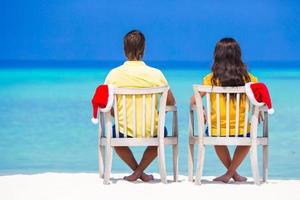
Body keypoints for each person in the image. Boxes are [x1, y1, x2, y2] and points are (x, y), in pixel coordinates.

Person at [104, 30, 176, 182]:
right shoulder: (156, 74)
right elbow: (171, 102)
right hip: (152, 129)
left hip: (123, 130)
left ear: (124, 50)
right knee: (161, 133)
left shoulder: (114, 74)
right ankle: (140, 172)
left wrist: (115, 114)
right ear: (143, 50)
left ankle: (137, 172)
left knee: (114, 135)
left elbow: (107, 104)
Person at [190, 38, 258, 183]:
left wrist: (201, 110)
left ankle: (230, 174)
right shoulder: (250, 79)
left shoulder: (210, 79)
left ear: (217, 56)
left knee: (215, 136)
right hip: (242, 129)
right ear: (238, 56)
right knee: (249, 137)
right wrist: (257, 111)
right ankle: (232, 174)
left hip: (217, 130)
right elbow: (259, 100)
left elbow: (193, 100)